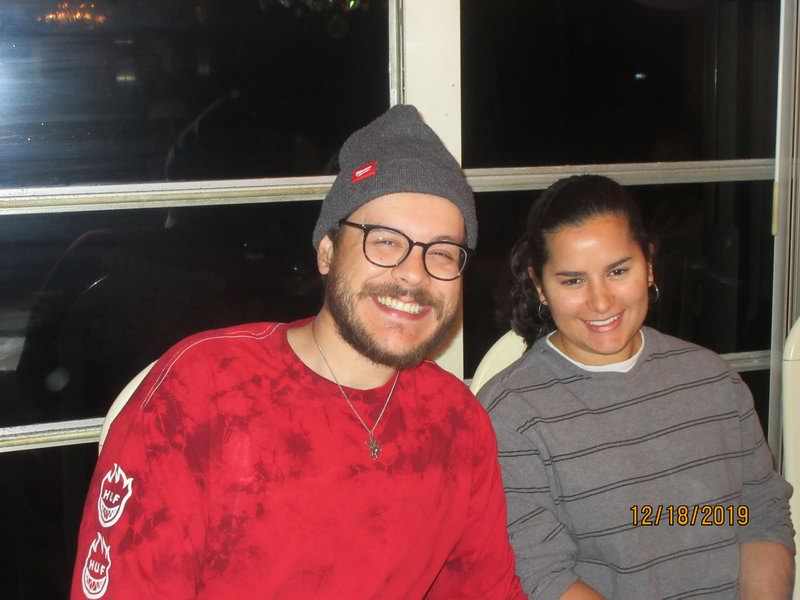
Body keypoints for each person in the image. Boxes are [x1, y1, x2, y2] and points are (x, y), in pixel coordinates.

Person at [69, 104, 524, 599]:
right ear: (327, 251)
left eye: (442, 253)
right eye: (386, 242)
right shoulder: (204, 391)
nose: (414, 275)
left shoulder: (457, 422)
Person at [477, 175, 795, 599]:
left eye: (617, 271)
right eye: (572, 280)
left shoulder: (714, 381)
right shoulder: (511, 414)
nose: (601, 301)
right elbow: (544, 577)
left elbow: (759, 518)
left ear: (648, 264)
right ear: (540, 286)